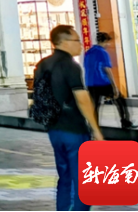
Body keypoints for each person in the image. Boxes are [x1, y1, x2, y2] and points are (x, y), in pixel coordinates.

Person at [34, 25, 104, 212]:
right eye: (77, 40)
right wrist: (96, 129)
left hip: (54, 128)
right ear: (64, 42)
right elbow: (82, 98)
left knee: (65, 176)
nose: (81, 45)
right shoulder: (70, 65)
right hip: (74, 129)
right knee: (82, 179)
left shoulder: (43, 64)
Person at [84, 32, 136, 129]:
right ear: (105, 41)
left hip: (90, 83)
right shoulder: (103, 52)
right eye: (108, 42)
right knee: (119, 100)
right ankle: (125, 122)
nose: (109, 44)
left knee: (94, 106)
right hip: (103, 82)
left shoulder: (88, 52)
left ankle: (93, 127)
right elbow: (107, 69)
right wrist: (114, 87)